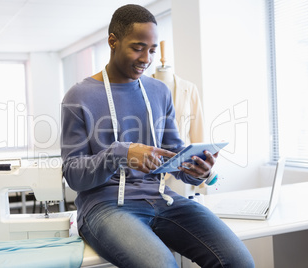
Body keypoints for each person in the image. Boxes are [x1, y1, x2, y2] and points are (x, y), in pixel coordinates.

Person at [61, 4, 254, 268]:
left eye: (151, 50)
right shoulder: (79, 96)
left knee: (239, 262)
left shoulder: (159, 92)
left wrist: (195, 168)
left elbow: (172, 156)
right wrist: (122, 154)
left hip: (163, 199)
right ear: (113, 42)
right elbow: (73, 174)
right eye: (138, 47)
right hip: (104, 207)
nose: (146, 58)